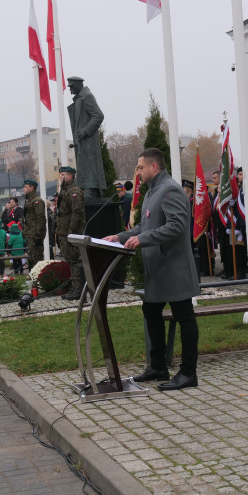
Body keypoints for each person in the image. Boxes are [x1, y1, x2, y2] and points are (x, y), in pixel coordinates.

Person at [104, 148, 201, 391]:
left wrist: (144, 239)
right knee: (151, 311)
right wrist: (120, 236)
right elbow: (144, 226)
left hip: (174, 268)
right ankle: (158, 367)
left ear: (153, 167)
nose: (137, 172)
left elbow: (177, 227)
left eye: (140, 167)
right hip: (157, 270)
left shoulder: (169, 190)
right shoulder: (152, 192)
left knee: (184, 317)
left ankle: (189, 373)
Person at [66, 76, 106, 196]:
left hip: (88, 140)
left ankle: (92, 189)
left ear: (79, 84)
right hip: (82, 142)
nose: (70, 90)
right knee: (84, 165)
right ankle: (88, 188)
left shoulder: (87, 96)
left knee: (90, 165)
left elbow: (98, 116)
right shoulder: (79, 98)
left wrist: (85, 131)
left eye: (72, 86)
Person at [56, 166, 86, 299]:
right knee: (70, 260)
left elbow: (77, 212)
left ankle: (78, 291)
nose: (60, 177)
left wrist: (71, 232)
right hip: (63, 231)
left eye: (62, 175)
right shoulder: (65, 190)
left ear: (69, 176)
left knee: (75, 260)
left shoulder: (74, 191)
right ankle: (75, 288)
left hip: (71, 232)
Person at [22, 179, 47, 269]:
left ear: (32, 188)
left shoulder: (37, 201)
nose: (23, 189)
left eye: (25, 187)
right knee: (32, 259)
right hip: (30, 234)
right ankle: (33, 280)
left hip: (35, 235)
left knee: (37, 260)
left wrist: (38, 236)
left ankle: (40, 280)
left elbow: (41, 219)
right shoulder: (29, 200)